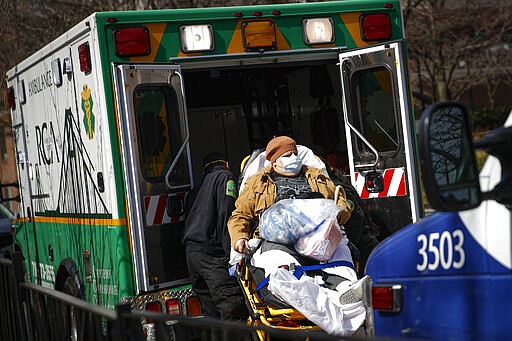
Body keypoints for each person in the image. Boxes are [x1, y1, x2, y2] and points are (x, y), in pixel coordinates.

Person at [228, 135, 351, 255]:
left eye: (295, 154)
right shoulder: (257, 183)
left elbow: (340, 201)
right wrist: (239, 237)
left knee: (342, 258)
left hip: (319, 237)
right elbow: (241, 214)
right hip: (278, 242)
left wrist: (337, 213)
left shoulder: (317, 177)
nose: (294, 158)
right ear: (274, 162)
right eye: (287, 155)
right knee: (283, 268)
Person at [182, 152, 248, 321]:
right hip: (211, 255)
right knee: (232, 307)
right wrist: (230, 254)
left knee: (210, 313)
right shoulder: (225, 177)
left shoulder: (196, 189)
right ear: (226, 164)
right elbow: (227, 215)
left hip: (192, 255)